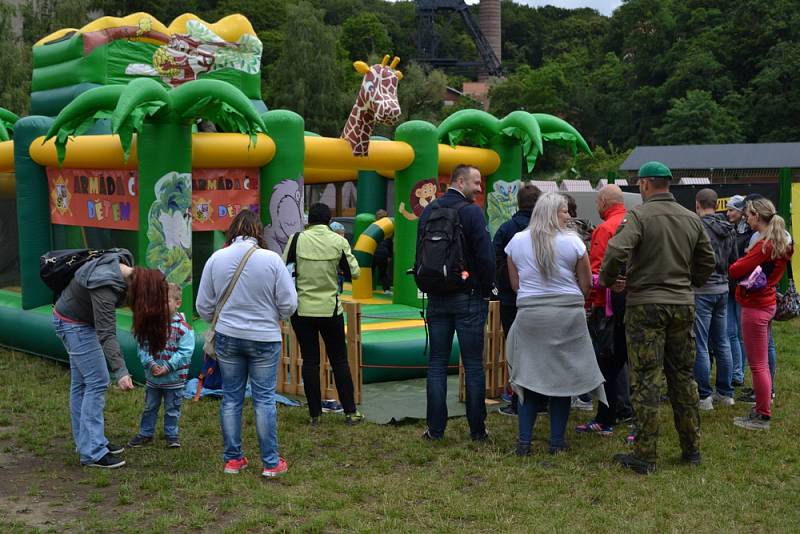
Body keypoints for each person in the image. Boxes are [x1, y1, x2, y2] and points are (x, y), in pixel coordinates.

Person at [600, 161, 715, 474]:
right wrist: (689, 282)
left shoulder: (639, 215)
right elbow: (708, 260)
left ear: (646, 185)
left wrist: (611, 280)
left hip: (646, 306)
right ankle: (691, 449)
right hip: (682, 304)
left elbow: (615, 252)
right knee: (682, 377)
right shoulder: (691, 218)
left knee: (647, 379)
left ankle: (645, 454)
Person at [197, 209, 297, 477]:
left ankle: (233, 460)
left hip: (228, 336)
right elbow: (289, 303)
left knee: (231, 397)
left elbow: (203, 306)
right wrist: (273, 316)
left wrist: (221, 318)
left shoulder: (216, 258)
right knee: (264, 399)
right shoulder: (272, 260)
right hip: (265, 337)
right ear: (257, 231)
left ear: (232, 231)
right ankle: (271, 462)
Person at [505, 192, 606, 456]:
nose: (569, 216)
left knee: (528, 377)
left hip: (530, 316)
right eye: (564, 211)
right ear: (551, 212)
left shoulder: (516, 241)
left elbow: (516, 285)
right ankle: (556, 442)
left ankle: (524, 442)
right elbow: (586, 284)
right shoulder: (573, 242)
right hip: (566, 316)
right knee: (563, 380)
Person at [52, 250, 171, 468]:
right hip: (74, 325)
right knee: (97, 382)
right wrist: (121, 372)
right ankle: (93, 453)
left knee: (82, 384)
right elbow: (106, 333)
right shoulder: (105, 286)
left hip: (76, 320)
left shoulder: (124, 263)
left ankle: (87, 443)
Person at [417, 164, 495, 441]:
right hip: (469, 296)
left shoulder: (429, 211)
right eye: (476, 183)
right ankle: (477, 430)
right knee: (473, 364)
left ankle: (435, 429)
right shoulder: (472, 212)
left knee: (436, 363)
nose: (479, 188)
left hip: (436, 296)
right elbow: (486, 256)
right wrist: (487, 289)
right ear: (460, 182)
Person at [284, 202, 363, 427]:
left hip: (302, 310)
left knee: (310, 361)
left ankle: (315, 415)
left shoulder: (296, 239)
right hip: (330, 310)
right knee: (339, 360)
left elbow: (282, 267)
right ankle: (350, 413)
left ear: (309, 222)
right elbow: (354, 272)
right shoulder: (338, 241)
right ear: (329, 221)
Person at [728, 198, 793, 430]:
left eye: (749, 215)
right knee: (762, 361)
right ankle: (762, 409)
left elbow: (735, 269)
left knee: (757, 365)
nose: (747, 218)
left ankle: (762, 414)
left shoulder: (762, 246)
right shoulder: (780, 242)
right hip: (767, 302)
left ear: (758, 216)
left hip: (755, 306)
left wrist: (745, 257)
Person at [576, 184, 628, 436]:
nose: (596, 207)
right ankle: (625, 408)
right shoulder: (633, 222)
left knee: (607, 361)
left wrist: (590, 303)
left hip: (607, 306)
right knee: (626, 358)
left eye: (598, 202)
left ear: (605, 202)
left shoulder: (604, 229)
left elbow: (597, 273)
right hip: (633, 301)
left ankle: (607, 416)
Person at [493, 182, 541, 417]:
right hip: (543, 298)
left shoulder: (506, 229)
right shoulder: (548, 229)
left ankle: (518, 400)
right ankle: (544, 399)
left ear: (518, 202)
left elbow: (493, 260)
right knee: (543, 349)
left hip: (512, 298)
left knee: (515, 348)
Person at [128, 283, 195, 449]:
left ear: (177, 303)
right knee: (150, 406)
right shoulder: (150, 325)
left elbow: (185, 352)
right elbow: (142, 347)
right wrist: (150, 364)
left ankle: (171, 435)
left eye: (164, 302)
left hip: (174, 379)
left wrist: (167, 366)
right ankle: (145, 433)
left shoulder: (183, 328)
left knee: (172, 408)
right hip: (153, 379)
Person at [692, 188, 737, 410]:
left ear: (697, 204)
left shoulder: (697, 227)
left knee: (700, 343)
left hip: (702, 289)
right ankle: (726, 393)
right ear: (717, 203)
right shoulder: (729, 228)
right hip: (723, 288)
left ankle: (704, 396)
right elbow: (734, 259)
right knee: (722, 341)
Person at [725, 195, 751, 388]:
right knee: (730, 331)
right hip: (729, 287)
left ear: (742, 212)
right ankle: (735, 371)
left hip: (743, 288)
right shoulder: (729, 230)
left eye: (732, 210)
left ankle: (739, 372)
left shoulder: (750, 234)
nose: (728, 213)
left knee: (740, 334)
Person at [373, 209, 393, 293]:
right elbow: (389, 243)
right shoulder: (388, 228)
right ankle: (386, 289)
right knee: (383, 272)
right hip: (383, 253)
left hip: (373, 252)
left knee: (370, 271)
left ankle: (367, 287)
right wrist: (389, 255)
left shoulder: (374, 226)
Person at [330, 220, 347, 293]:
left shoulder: (344, 242)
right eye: (339, 233)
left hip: (340, 272)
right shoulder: (332, 243)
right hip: (333, 272)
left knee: (338, 291)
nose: (342, 235)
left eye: (343, 233)